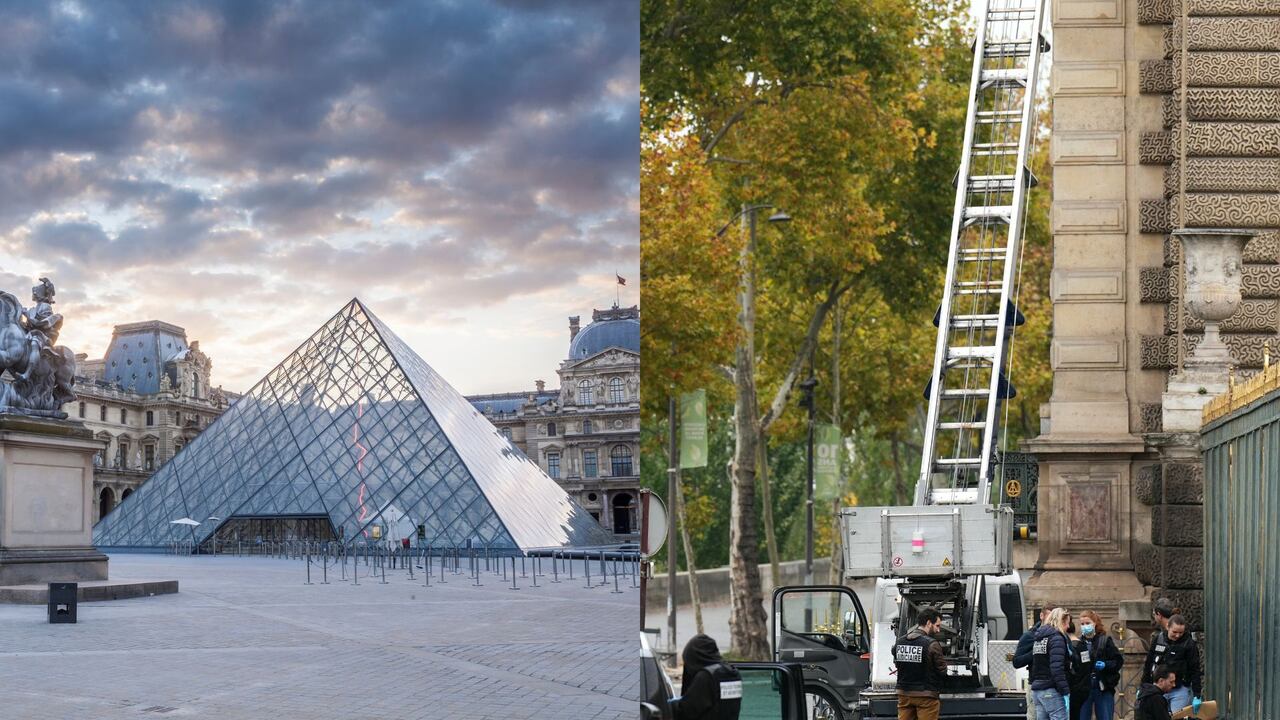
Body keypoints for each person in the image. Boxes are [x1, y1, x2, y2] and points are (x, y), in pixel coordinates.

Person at [893, 606, 947, 720]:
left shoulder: (900, 642)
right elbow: (942, 671)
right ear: (928, 623)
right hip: (926, 696)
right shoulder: (932, 644)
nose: (938, 630)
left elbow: (897, 660)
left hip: (904, 694)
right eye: (937, 625)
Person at [670, 634, 742, 720]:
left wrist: (670, 706)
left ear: (694, 659)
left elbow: (686, 710)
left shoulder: (706, 677)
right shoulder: (733, 673)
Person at [1141, 614, 1201, 714]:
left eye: (1181, 633)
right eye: (1174, 632)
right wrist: (1143, 686)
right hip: (1158, 688)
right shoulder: (1158, 639)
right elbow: (1149, 664)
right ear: (1167, 627)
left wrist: (1197, 695)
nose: (1177, 635)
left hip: (1179, 689)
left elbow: (1194, 669)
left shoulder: (1189, 644)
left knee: (1176, 716)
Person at [1077, 610, 1123, 720]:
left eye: (1087, 623)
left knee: (1105, 716)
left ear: (1094, 623)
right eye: (1082, 624)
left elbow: (1117, 661)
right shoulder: (1078, 643)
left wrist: (1105, 665)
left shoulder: (1105, 640)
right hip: (1084, 686)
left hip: (1102, 685)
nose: (1085, 626)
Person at [1030, 607, 1072, 720]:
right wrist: (1065, 691)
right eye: (1067, 623)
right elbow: (1057, 668)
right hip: (1051, 689)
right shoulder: (1057, 638)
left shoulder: (1039, 638)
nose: (1068, 626)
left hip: (1038, 689)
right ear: (1061, 621)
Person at [1066, 620, 1091, 720]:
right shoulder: (1082, 645)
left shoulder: (1072, 646)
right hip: (1082, 688)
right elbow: (1086, 666)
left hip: (1074, 689)